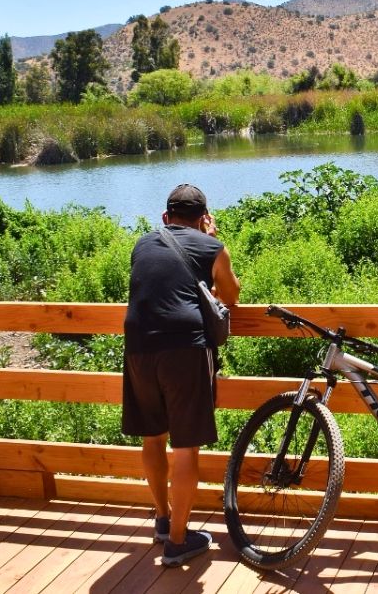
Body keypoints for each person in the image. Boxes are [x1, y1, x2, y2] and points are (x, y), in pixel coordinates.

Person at [122, 184, 240, 567]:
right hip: (184, 350)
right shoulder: (212, 247)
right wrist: (210, 241)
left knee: (153, 438)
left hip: (139, 347)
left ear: (165, 217)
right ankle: (177, 541)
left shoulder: (143, 243)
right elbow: (231, 295)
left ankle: (161, 519)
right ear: (205, 217)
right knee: (186, 446)